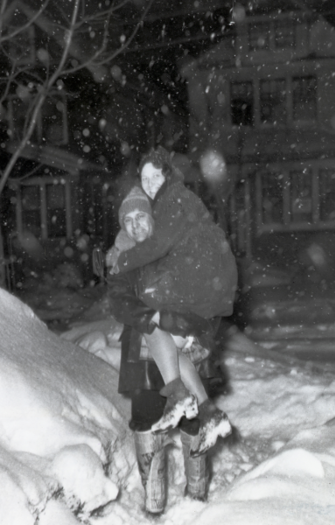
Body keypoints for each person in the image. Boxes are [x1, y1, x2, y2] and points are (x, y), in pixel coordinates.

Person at [105, 166, 236, 513]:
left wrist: (203, 327)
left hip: (188, 339)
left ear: (152, 217)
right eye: (127, 219)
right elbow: (117, 298)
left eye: (140, 216)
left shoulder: (175, 243)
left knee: (192, 414)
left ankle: (197, 491)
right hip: (144, 347)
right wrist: (149, 316)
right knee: (147, 418)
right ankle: (154, 498)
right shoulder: (123, 257)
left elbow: (208, 285)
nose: (135, 224)